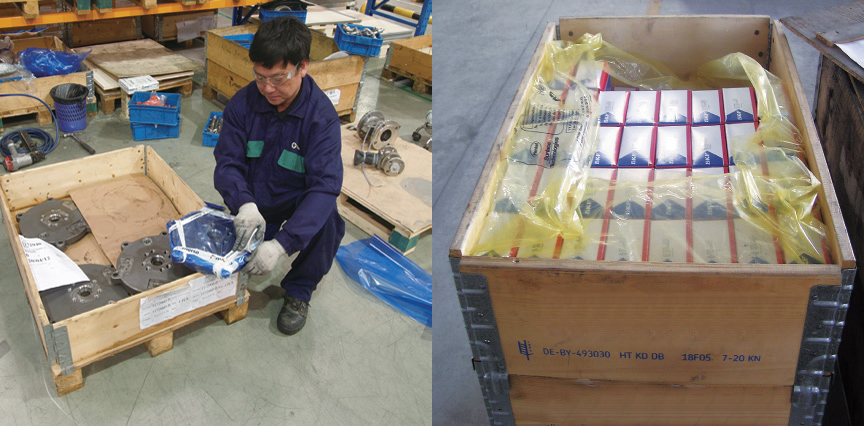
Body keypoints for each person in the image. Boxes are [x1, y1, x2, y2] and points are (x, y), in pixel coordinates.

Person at [213, 16, 345, 336]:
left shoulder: (321, 119)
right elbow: (227, 162)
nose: (268, 88)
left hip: (295, 204)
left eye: (277, 78)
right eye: (260, 77)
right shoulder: (243, 105)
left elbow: (324, 187)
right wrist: (244, 204)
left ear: (303, 67)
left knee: (328, 221)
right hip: (255, 203)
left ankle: (299, 290)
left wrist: (282, 245)